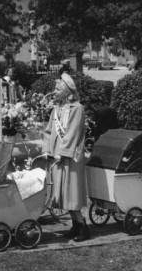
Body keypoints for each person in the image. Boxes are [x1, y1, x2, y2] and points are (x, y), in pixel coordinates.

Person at [43, 73, 90, 242]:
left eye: (57, 89)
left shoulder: (77, 108)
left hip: (70, 157)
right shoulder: (57, 108)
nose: (54, 91)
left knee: (72, 194)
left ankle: (83, 227)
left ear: (67, 91)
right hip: (57, 156)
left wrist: (62, 153)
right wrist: (48, 150)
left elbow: (72, 134)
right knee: (62, 194)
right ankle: (75, 226)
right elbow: (49, 130)